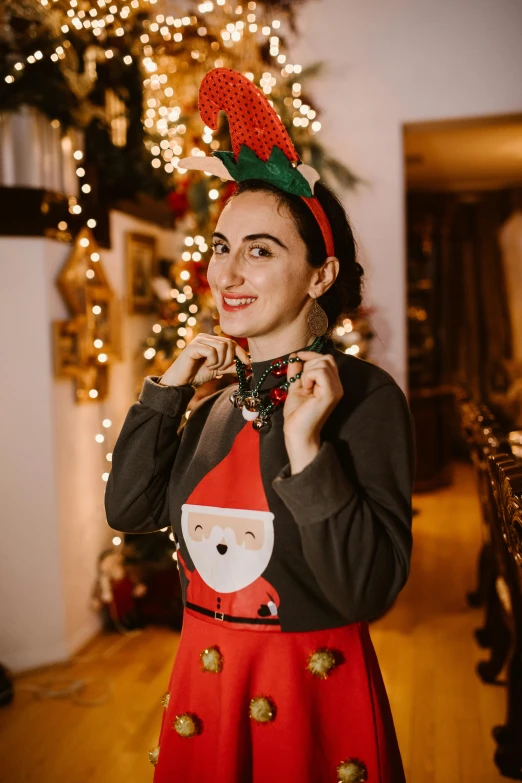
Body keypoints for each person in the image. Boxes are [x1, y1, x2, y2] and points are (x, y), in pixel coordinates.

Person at [105, 68, 416, 783]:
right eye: (221, 245)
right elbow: (127, 509)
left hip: (313, 699)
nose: (227, 272)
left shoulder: (365, 398)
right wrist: (164, 394)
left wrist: (307, 450)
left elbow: (367, 589)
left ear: (319, 273)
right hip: (206, 693)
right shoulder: (213, 401)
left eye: (261, 249)